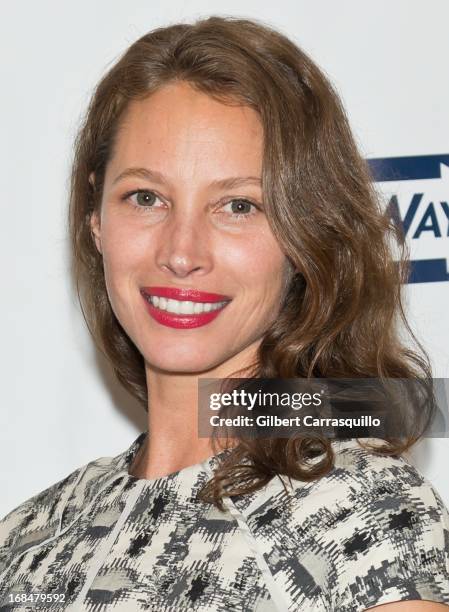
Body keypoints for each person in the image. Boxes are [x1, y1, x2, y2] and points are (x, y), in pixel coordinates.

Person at [0, 15, 448, 612]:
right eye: (146, 198)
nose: (181, 253)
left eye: (238, 205)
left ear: (303, 238)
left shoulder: (363, 519)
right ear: (95, 219)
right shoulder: (30, 538)